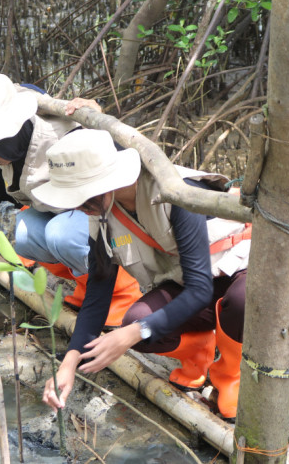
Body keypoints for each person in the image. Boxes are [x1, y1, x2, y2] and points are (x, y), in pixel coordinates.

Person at [35, 129, 250, 420]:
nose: (76, 207)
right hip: (186, 286)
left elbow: (200, 289)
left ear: (104, 182)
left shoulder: (177, 192)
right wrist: (68, 363)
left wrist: (130, 335)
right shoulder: (100, 213)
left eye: (79, 197)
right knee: (136, 322)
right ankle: (199, 349)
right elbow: (98, 292)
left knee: (241, 301)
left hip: (233, 274)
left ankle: (230, 377)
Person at [0, 74, 142, 326]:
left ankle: (123, 293)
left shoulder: (66, 137)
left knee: (59, 233)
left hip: (117, 230)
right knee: (18, 232)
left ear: (12, 130)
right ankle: (86, 285)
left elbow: (127, 190)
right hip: (72, 222)